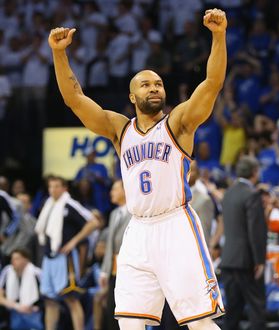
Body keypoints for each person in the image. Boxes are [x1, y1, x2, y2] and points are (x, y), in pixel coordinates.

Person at [48, 8, 227, 330]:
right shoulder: (120, 129)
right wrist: (59, 55)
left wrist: (218, 36)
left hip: (176, 224)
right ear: (132, 96)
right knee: (129, 323)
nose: (155, 88)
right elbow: (75, 99)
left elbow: (212, 83)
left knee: (199, 322)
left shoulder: (179, 124)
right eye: (146, 85)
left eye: (158, 84)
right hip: (138, 230)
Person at [35, 176, 100, 330]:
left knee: (71, 298)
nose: (53, 189)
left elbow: (94, 222)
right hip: (49, 256)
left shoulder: (70, 204)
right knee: (50, 300)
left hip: (66, 258)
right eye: (50, 186)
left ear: (65, 188)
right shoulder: (48, 204)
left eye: (57, 186)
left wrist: (74, 241)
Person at [220, 156, 268, 330]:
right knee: (257, 311)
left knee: (232, 313)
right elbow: (255, 231)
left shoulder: (228, 194)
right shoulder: (252, 195)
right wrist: (259, 261)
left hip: (228, 261)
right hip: (247, 263)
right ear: (255, 172)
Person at [98, 179, 130, 330]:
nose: (111, 192)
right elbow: (109, 245)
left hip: (130, 268)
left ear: (125, 191)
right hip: (114, 269)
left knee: (127, 312)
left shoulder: (135, 211)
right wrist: (104, 270)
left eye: (114, 189)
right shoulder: (114, 213)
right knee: (112, 309)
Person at [0, 248, 42, 330]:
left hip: (34, 312)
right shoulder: (7, 272)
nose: (13, 261)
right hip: (14, 311)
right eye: (12, 259)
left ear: (26, 260)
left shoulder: (37, 273)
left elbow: (47, 297)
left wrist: (37, 307)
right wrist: (17, 306)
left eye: (17, 258)